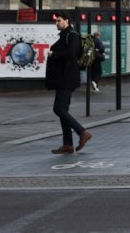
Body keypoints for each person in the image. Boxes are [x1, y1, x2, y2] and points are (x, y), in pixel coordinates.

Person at [45, 11, 92, 154]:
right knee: (62, 110)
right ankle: (68, 145)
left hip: (67, 78)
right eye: (56, 21)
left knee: (58, 109)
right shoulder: (65, 36)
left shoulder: (72, 35)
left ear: (66, 21)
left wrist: (54, 54)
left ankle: (82, 132)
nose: (56, 23)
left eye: (59, 20)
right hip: (63, 78)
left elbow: (71, 54)